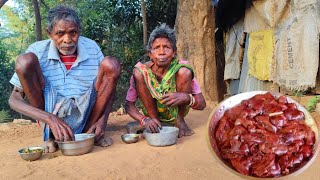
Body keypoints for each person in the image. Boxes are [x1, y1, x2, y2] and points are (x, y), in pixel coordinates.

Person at [8, 5, 121, 152]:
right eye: (60, 33)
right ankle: (50, 136)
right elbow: (14, 99)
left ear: (79, 31)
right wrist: (50, 119)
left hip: (87, 111)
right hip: (50, 110)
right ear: (49, 33)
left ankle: (88, 134)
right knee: (25, 61)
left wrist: (102, 121)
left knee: (111, 64)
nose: (67, 39)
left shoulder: (92, 47)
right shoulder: (37, 49)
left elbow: (108, 88)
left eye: (73, 32)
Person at [125, 24, 206, 138]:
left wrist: (186, 97)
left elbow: (202, 104)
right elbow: (129, 106)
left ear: (173, 53)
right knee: (138, 73)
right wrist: (144, 120)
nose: (161, 52)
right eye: (157, 48)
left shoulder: (181, 69)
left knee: (184, 71)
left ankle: (179, 120)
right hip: (151, 116)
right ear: (150, 54)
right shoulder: (142, 72)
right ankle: (155, 121)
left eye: (166, 47)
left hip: (178, 114)